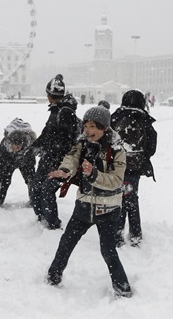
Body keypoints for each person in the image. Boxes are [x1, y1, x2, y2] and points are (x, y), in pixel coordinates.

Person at [46, 106, 132, 298]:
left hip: (108, 209)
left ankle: (123, 289)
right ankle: (53, 278)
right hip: (84, 207)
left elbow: (117, 181)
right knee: (66, 243)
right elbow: (71, 158)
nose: (88, 130)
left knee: (108, 251)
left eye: (93, 126)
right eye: (86, 125)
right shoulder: (82, 144)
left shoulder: (116, 149)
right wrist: (65, 171)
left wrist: (94, 174)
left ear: (105, 128)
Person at [29, 74, 81, 229]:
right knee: (37, 187)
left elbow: (64, 138)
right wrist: (37, 146)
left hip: (59, 161)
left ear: (49, 95)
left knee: (44, 189)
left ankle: (52, 224)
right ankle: (44, 218)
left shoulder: (64, 112)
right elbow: (49, 133)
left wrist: (49, 148)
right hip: (51, 157)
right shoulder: (57, 110)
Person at [111, 90, 157, 247]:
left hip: (116, 166)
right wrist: (142, 158)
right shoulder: (143, 118)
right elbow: (152, 145)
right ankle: (135, 234)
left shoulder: (116, 116)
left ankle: (117, 234)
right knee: (131, 198)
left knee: (118, 198)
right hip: (134, 167)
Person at [0, 118, 37, 207]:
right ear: (10, 143)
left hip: (25, 161)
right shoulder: (4, 147)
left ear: (23, 144)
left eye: (18, 147)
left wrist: (30, 174)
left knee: (31, 181)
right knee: (5, 181)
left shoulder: (29, 146)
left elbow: (31, 163)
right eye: (14, 147)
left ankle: (34, 201)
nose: (15, 149)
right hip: (9, 161)